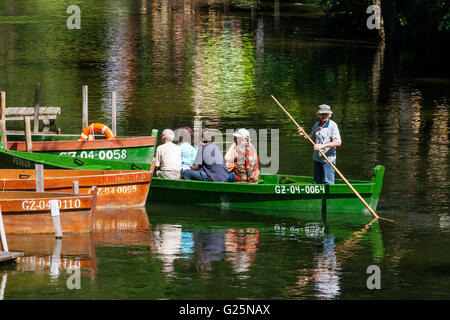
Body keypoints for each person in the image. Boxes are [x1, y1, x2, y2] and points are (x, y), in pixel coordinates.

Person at [298, 104, 342, 184]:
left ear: (329, 114)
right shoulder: (316, 125)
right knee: (317, 183)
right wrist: (304, 134)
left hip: (328, 160)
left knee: (328, 183)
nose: (324, 116)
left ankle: (329, 196)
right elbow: (312, 138)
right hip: (317, 159)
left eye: (326, 114)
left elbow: (338, 142)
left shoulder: (333, 126)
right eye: (322, 114)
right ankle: (317, 196)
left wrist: (322, 146)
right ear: (318, 114)